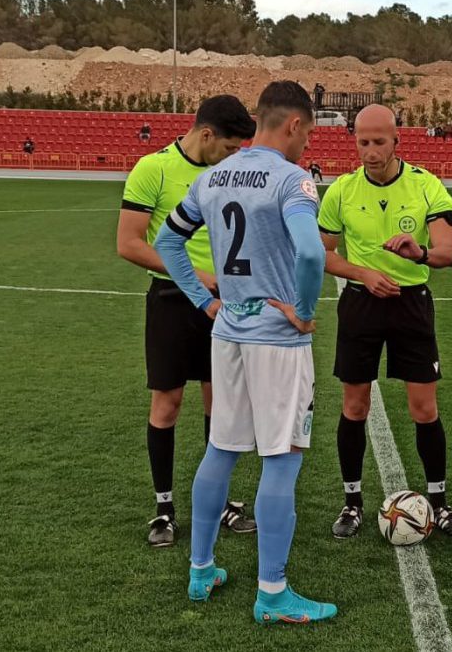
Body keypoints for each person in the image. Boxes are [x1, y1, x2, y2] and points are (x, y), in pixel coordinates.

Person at [154, 80, 336, 624]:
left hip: (227, 332)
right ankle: (273, 593)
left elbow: (167, 242)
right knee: (281, 459)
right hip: (277, 343)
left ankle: (201, 569)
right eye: (309, 134)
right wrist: (303, 310)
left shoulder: (212, 177)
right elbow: (310, 252)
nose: (307, 147)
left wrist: (201, 301)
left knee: (221, 449)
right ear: (295, 124)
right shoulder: (293, 180)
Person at [318, 104, 452, 541]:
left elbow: (449, 253)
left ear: (396, 139)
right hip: (360, 305)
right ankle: (352, 503)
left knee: (424, 408)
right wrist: (362, 273)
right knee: (355, 407)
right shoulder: (341, 191)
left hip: (411, 306)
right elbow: (322, 254)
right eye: (363, 142)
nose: (370, 151)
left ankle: (439, 504)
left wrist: (418, 253)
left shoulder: (426, 186)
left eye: (379, 142)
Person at [116, 95, 258, 547]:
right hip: (173, 302)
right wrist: (194, 273)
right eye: (230, 147)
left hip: (225, 304)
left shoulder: (231, 174)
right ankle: (163, 508)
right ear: (206, 134)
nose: (235, 157)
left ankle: (221, 502)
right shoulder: (153, 170)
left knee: (223, 408)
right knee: (167, 405)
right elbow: (130, 244)